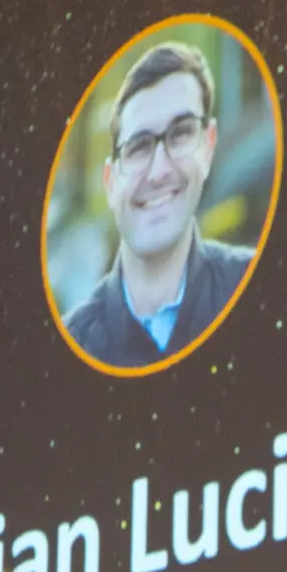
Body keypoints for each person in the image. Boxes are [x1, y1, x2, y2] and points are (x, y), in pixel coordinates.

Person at [63, 41, 254, 368]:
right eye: (139, 147)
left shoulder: (258, 292)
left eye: (180, 134)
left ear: (208, 147)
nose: (160, 171)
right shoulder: (71, 347)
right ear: (110, 182)